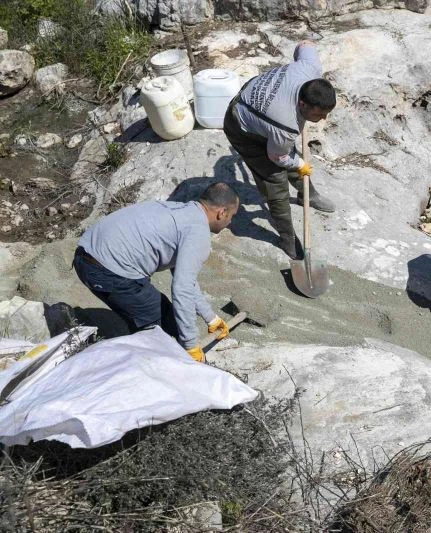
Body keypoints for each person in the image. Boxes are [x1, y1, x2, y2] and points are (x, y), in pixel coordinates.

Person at [73, 183, 240, 362]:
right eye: (231, 216)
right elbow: (181, 289)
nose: (230, 222)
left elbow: (185, 279)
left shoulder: (178, 209)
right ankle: (148, 368)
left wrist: (210, 317)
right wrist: (190, 345)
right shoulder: (198, 233)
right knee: (159, 329)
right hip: (108, 271)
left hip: (85, 255)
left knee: (159, 315)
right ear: (222, 212)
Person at [223, 39, 336, 260]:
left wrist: (298, 162)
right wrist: (299, 164)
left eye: (326, 113)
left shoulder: (309, 68)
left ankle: (308, 195)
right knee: (275, 181)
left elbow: (305, 43)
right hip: (241, 127)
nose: (323, 119)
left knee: (295, 158)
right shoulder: (285, 126)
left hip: (260, 107)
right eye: (318, 114)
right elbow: (278, 156)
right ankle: (287, 237)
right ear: (302, 104)